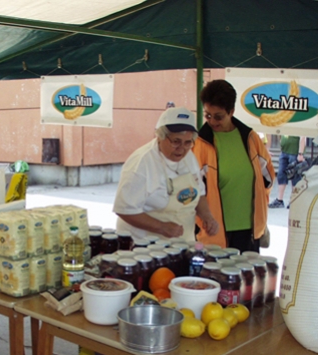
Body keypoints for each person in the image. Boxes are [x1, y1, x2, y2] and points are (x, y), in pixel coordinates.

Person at [192, 79, 275, 252]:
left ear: (231, 112)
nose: (212, 121)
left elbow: (268, 178)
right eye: (208, 115)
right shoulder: (199, 143)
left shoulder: (251, 138)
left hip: (249, 232)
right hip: (212, 234)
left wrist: (261, 212)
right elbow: (192, 189)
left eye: (218, 116)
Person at [113, 106, 219, 241]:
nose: (181, 149)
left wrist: (207, 217)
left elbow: (199, 193)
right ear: (160, 136)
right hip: (145, 245)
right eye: (176, 141)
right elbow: (124, 209)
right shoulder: (142, 162)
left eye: (187, 142)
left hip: (182, 242)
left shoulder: (189, 157)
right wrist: (161, 227)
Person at [269, 135, 306, 209]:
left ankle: (293, 200)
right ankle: (279, 200)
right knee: (281, 175)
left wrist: (300, 153)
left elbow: (303, 137)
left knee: (295, 176)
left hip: (295, 152)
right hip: (284, 152)